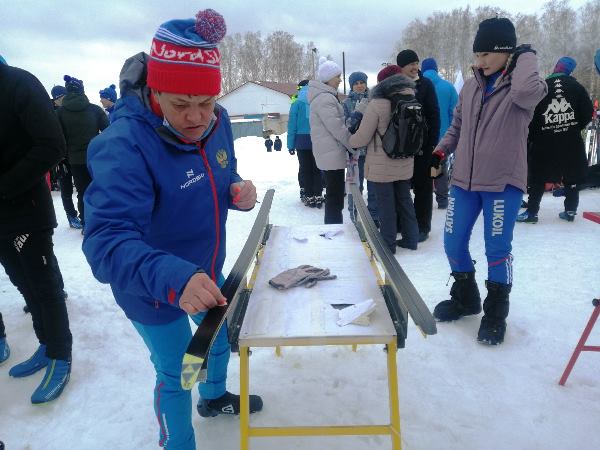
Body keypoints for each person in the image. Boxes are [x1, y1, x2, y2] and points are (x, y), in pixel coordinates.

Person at [81, 9, 262, 450]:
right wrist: (175, 278)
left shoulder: (216, 124)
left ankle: (214, 396)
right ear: (155, 89)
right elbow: (106, 241)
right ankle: (178, 443)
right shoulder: (124, 145)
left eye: (206, 102)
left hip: (206, 269)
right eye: (181, 104)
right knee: (181, 367)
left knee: (215, 341)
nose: (198, 117)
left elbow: (221, 172)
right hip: (150, 285)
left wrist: (237, 190)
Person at [430, 18, 547, 345]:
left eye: (486, 55)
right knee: (452, 242)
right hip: (464, 182)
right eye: (476, 54)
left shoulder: (527, 87)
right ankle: (466, 298)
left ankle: (496, 312)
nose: (478, 62)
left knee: (497, 249)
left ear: (506, 52)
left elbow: (525, 90)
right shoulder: (470, 86)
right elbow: (456, 128)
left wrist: (527, 55)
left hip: (502, 184)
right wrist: (439, 154)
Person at [0, 58, 73, 403]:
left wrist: (4, 186)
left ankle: (61, 355)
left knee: (44, 288)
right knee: (22, 283)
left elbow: (52, 144)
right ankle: (45, 344)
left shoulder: (18, 83)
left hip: (26, 211)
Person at [349, 65, 419, 253]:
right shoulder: (412, 97)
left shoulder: (378, 103)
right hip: (405, 160)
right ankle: (411, 239)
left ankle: (388, 244)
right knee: (405, 200)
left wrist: (350, 140)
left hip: (382, 164)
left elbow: (363, 136)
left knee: (385, 204)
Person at [517, 56, 593, 223]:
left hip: (544, 141)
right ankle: (571, 210)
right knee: (571, 174)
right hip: (570, 140)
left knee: (538, 176)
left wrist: (536, 134)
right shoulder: (577, 87)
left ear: (556, 66)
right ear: (570, 70)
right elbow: (588, 113)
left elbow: (530, 114)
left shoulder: (542, 86)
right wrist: (572, 126)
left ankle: (531, 213)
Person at [396, 49, 440, 242]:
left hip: (422, 146)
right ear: (401, 67)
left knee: (422, 187)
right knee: (401, 186)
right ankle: (401, 222)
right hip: (400, 147)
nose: (415, 67)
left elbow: (434, 114)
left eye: (416, 63)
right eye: (410, 64)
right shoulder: (394, 85)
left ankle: (423, 226)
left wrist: (432, 144)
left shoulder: (425, 85)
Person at [57, 75, 109, 233]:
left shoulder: (59, 113)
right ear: (82, 90)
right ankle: (100, 221)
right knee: (99, 189)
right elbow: (108, 132)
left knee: (82, 191)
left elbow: (56, 136)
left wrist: (64, 155)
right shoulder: (94, 109)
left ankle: (86, 223)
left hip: (74, 159)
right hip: (95, 157)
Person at [308, 56, 353, 224]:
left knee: (335, 194)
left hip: (330, 152)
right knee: (335, 195)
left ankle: (333, 226)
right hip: (331, 153)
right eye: (337, 76)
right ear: (327, 78)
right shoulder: (325, 98)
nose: (340, 80)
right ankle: (332, 229)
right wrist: (352, 143)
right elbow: (336, 127)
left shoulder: (326, 97)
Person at [421, 57, 458, 210]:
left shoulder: (418, 86)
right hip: (442, 136)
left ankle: (424, 198)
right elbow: (455, 114)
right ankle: (442, 200)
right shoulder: (448, 87)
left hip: (421, 138)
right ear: (436, 69)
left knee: (423, 168)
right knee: (439, 167)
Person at [343, 71, 378, 224]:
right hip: (355, 151)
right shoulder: (346, 103)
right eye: (356, 83)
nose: (359, 86)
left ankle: (374, 215)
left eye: (362, 82)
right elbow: (345, 126)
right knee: (355, 185)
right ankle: (354, 213)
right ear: (351, 85)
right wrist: (357, 114)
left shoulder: (374, 99)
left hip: (372, 149)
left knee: (374, 185)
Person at [287, 79, 323, 207]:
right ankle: (318, 195)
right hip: (318, 140)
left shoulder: (296, 103)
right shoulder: (318, 101)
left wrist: (290, 145)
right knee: (317, 169)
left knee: (305, 169)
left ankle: (309, 196)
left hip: (301, 142)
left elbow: (292, 125)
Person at [50, 85, 82, 229]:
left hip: (75, 154)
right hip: (61, 158)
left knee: (81, 187)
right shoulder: (50, 113)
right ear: (56, 100)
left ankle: (84, 215)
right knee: (66, 189)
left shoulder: (72, 110)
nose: (62, 100)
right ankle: (71, 216)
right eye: (59, 98)